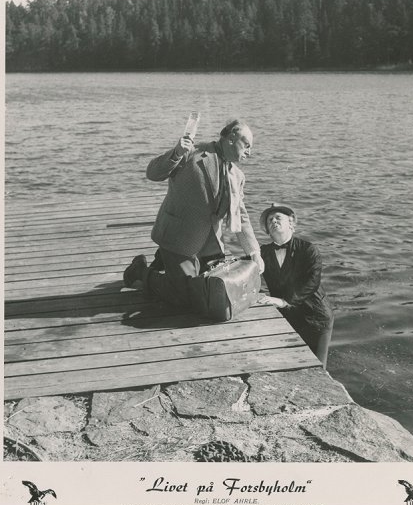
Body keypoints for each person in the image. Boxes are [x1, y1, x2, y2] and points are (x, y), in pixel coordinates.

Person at [123, 120, 264, 308]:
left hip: (212, 246)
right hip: (177, 238)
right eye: (246, 145)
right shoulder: (193, 152)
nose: (249, 152)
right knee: (187, 296)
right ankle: (139, 271)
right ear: (231, 138)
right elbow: (153, 173)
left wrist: (254, 252)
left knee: (214, 290)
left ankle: (162, 262)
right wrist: (176, 153)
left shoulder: (238, 176)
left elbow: (241, 216)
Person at [258, 203, 334, 369]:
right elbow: (244, 266)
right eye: (270, 220)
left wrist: (284, 301)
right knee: (291, 365)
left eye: (278, 218)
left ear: (291, 224)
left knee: (317, 368)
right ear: (267, 231)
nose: (273, 221)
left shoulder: (308, 250)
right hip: (288, 317)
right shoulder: (262, 253)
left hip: (316, 317)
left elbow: (312, 282)